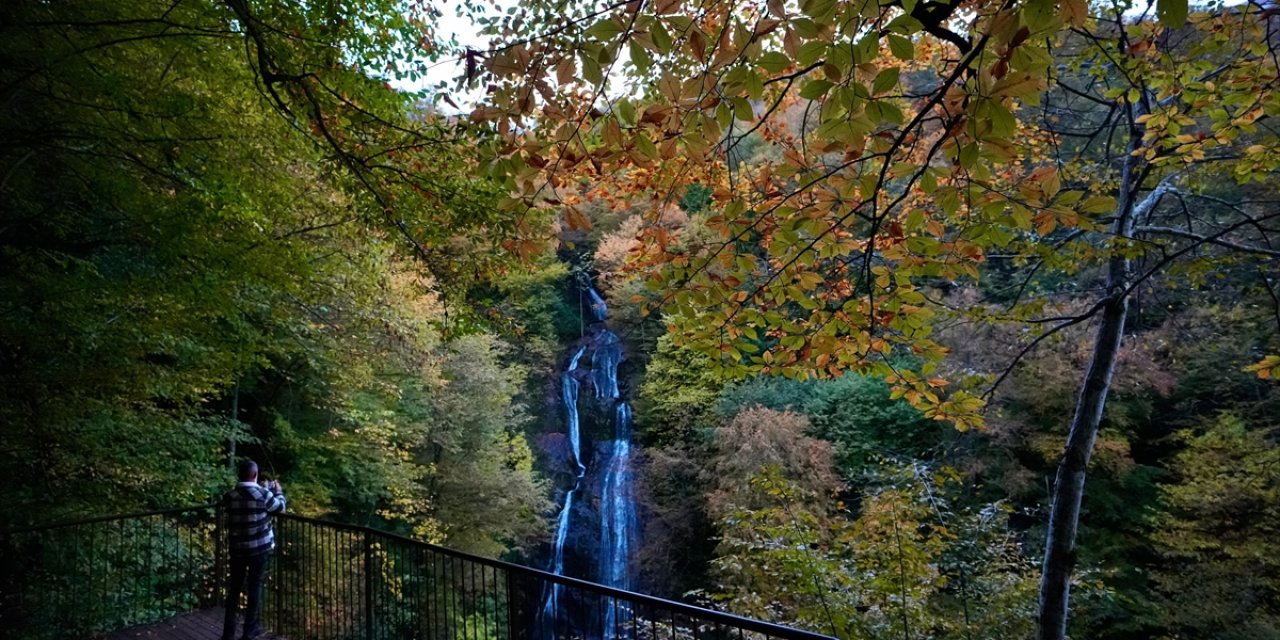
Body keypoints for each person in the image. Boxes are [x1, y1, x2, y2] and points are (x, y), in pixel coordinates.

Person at [222, 459, 286, 640]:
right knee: (255, 587)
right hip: (259, 549)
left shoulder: (230, 496)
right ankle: (249, 630)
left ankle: (228, 634)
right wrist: (278, 492)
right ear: (255, 475)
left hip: (237, 550)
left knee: (234, 589)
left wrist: (264, 488)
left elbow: (239, 500)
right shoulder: (263, 494)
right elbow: (280, 507)